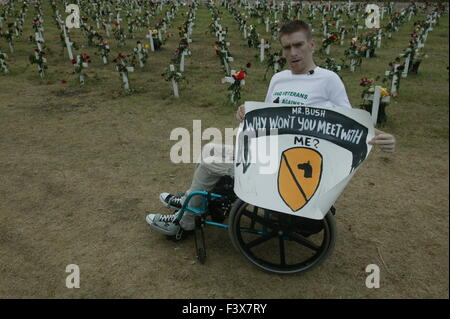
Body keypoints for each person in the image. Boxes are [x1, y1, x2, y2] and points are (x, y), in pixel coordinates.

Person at [146, 20, 396, 236]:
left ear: (312, 45)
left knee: (210, 163)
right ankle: (191, 197)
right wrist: (245, 113)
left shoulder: (328, 80)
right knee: (211, 148)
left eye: (298, 45)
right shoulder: (279, 78)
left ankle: (185, 220)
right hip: (266, 154)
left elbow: (348, 124)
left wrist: (377, 137)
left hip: (290, 166)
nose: (293, 52)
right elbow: (266, 118)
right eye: (287, 47)